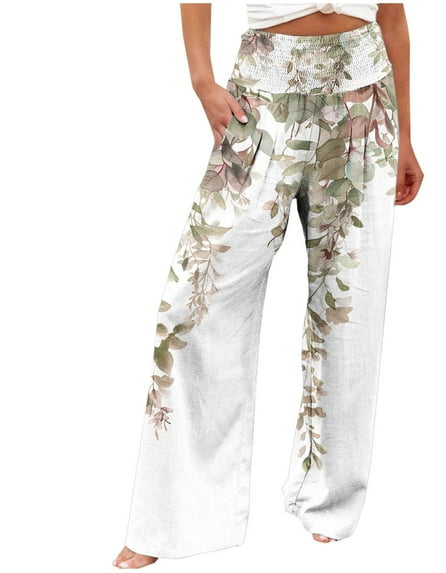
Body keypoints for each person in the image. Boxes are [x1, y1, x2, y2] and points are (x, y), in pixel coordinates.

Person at [113, 2, 423, 568]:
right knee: (191, 304)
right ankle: (172, 519)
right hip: (263, 94)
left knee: (349, 306)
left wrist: (405, 137)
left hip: (365, 97)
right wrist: (201, 80)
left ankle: (330, 501)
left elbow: (394, 17)